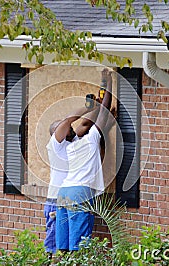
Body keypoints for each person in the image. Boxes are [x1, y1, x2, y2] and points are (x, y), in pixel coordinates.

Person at [55, 68, 113, 252]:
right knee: (79, 247)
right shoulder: (91, 139)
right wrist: (108, 82)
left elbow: (85, 124)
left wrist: (94, 101)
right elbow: (104, 113)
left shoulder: (69, 146)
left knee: (63, 245)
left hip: (63, 193)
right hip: (80, 192)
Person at [44, 98, 100, 254]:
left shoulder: (73, 143)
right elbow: (67, 121)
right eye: (68, 128)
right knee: (55, 247)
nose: (71, 128)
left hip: (70, 196)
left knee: (70, 245)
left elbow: (86, 125)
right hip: (56, 200)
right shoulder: (55, 146)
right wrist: (86, 107)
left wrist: (99, 107)